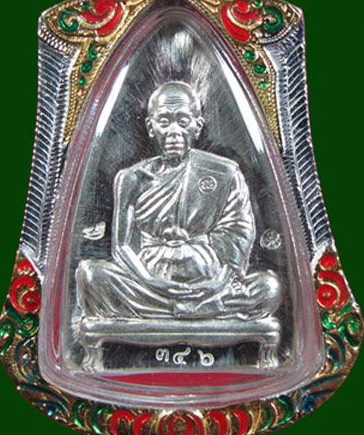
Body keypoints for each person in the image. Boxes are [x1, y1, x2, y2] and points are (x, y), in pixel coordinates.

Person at [76, 81, 281, 320]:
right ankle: (192, 311)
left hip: (208, 280)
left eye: (183, 121)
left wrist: (215, 284)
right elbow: (121, 247)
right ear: (151, 127)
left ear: (197, 126)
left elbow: (238, 235)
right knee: (90, 276)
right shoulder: (131, 178)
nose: (174, 131)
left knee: (269, 288)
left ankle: (185, 310)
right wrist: (152, 281)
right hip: (148, 282)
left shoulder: (224, 173)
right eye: (164, 121)